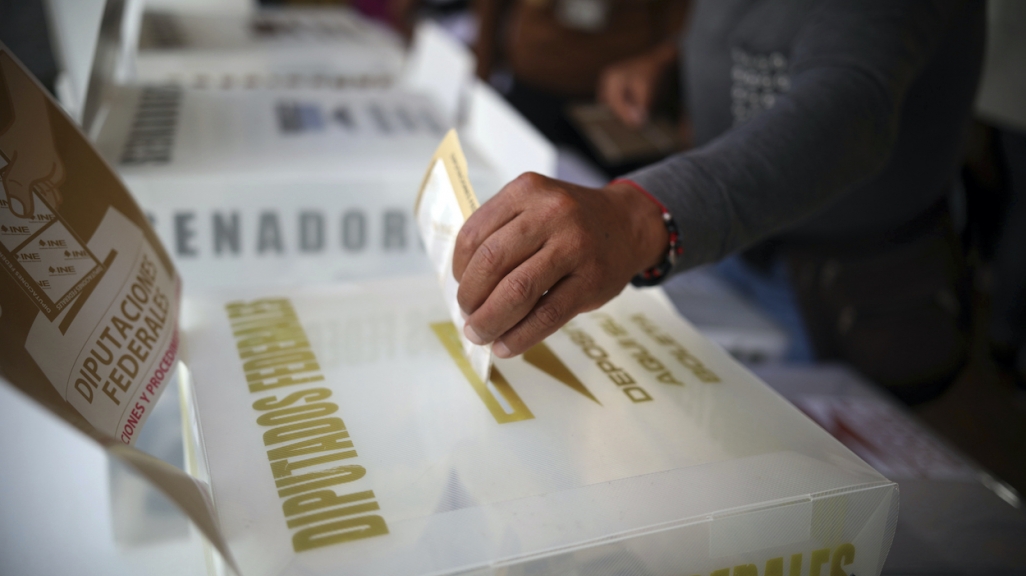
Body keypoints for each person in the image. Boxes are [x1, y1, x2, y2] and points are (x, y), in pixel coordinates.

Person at [453, 0, 985, 404]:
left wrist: (635, 216)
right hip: (721, 248)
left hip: (836, 291)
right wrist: (670, 63)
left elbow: (850, 109)